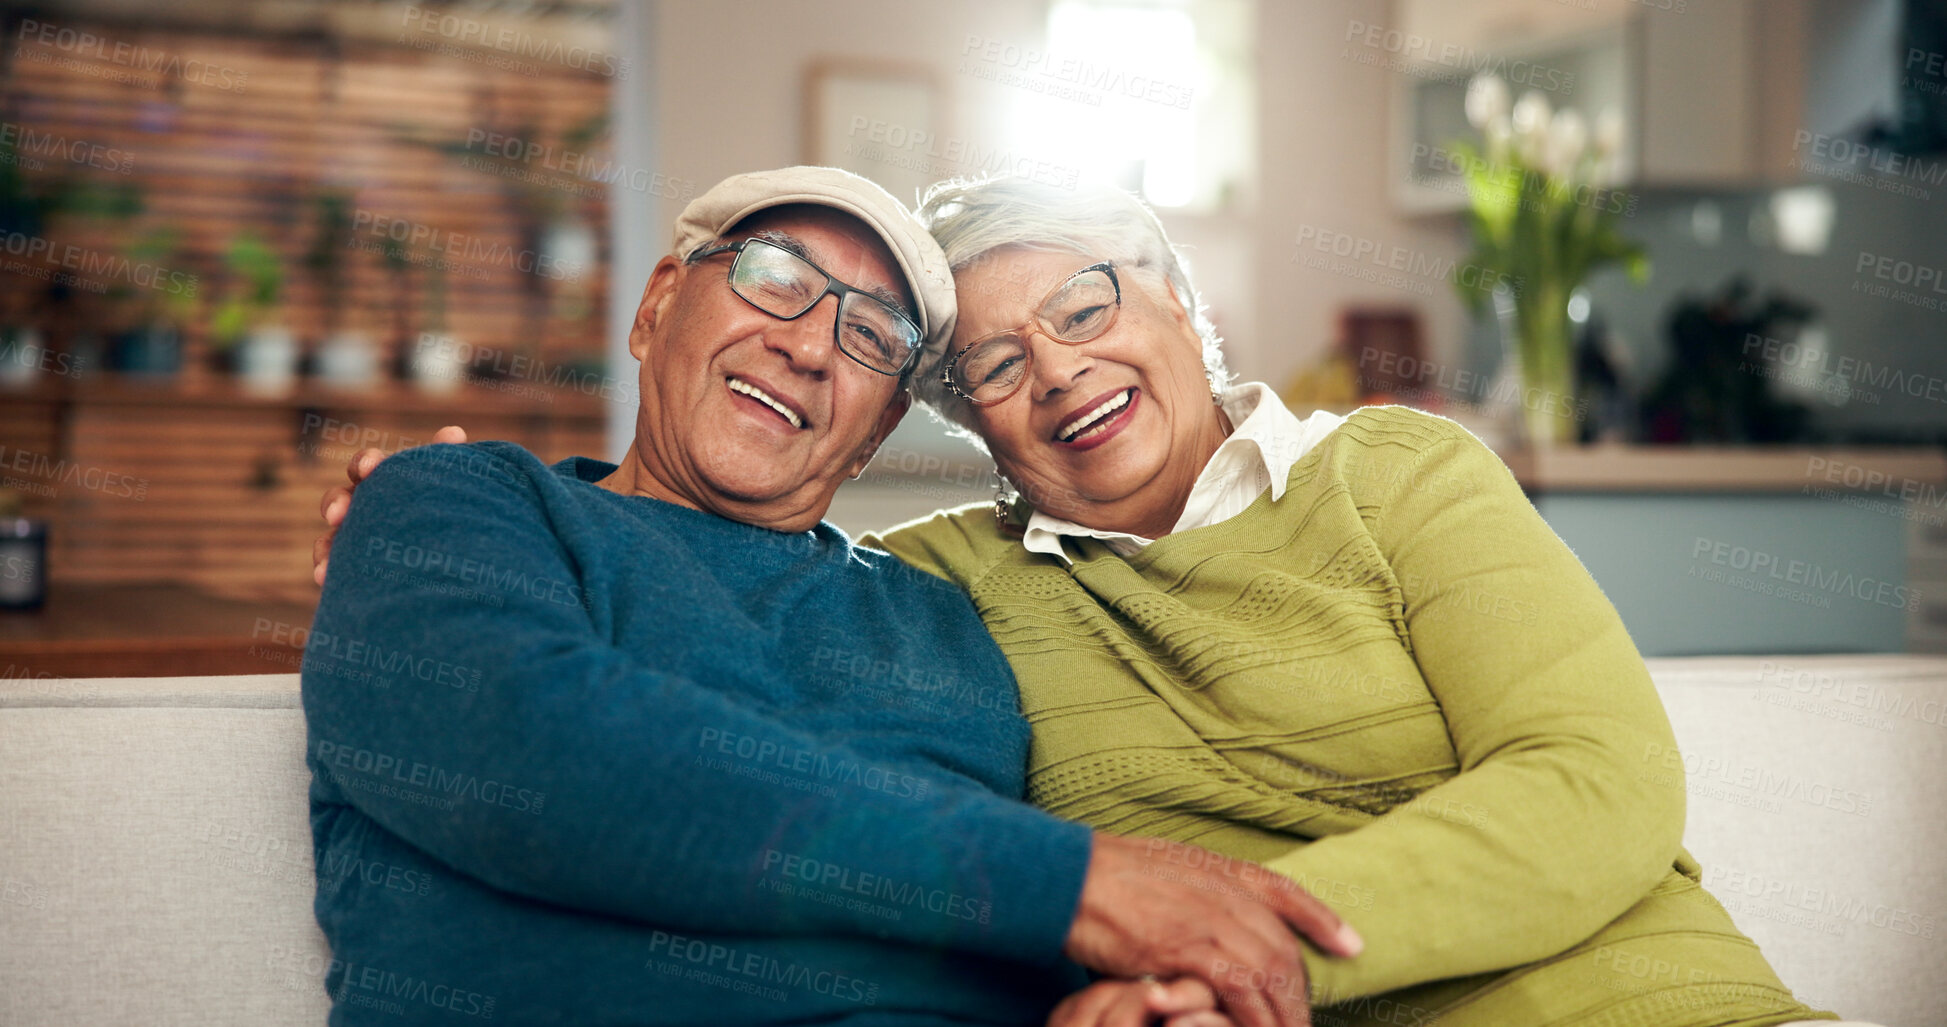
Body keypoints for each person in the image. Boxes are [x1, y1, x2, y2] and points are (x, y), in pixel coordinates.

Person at [302, 166, 1358, 1027]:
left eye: (872, 338)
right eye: (773, 276)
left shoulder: (942, 613)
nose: (808, 345)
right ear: (659, 302)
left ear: (879, 427)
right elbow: (534, 753)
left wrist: (1123, 998)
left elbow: (1002, 888)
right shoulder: (463, 508)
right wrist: (1075, 885)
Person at [851, 175, 1859, 1027]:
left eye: (1084, 309)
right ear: (967, 419)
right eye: (998, 362)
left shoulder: (1400, 473)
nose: (1061, 371)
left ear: (1174, 300)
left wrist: (1226, 954)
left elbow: (1596, 781)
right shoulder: (945, 583)